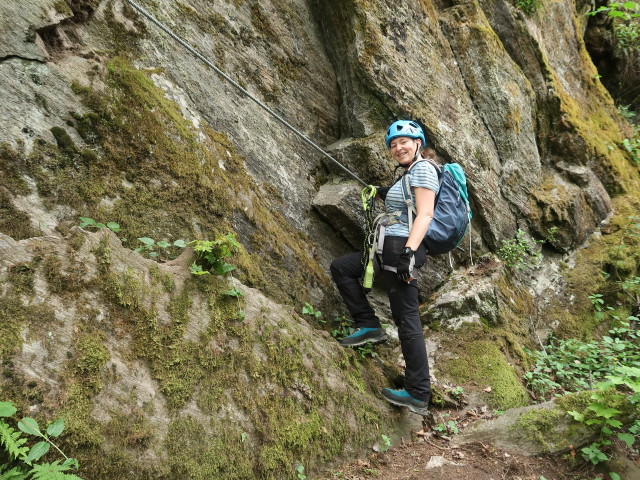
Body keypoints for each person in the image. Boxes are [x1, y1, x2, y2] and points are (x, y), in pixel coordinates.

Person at [330, 120, 439, 416]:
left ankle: (418, 393)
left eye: (404, 141)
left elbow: (425, 213)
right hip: (387, 250)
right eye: (393, 145)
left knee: (407, 321)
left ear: (418, 143)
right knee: (342, 268)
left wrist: (408, 253)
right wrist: (381, 191)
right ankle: (369, 325)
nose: (398, 148)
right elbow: (406, 204)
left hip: (401, 251)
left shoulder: (424, 169)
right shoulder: (409, 174)